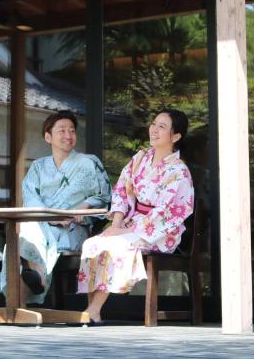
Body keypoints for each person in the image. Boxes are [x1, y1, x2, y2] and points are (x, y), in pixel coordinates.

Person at [78, 109, 195, 323]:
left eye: (162, 127)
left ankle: (93, 309)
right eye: (154, 124)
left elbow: (166, 212)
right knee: (93, 244)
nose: (154, 130)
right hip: (131, 224)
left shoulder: (179, 171)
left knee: (117, 245)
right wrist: (116, 225)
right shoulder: (139, 159)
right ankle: (93, 309)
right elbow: (122, 190)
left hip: (160, 231)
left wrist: (123, 232)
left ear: (176, 136)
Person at [9, 110, 111, 304]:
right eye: (61, 130)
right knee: (21, 238)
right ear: (48, 137)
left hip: (73, 228)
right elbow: (30, 198)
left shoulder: (89, 163)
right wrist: (50, 217)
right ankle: (22, 299)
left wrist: (84, 205)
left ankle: (27, 292)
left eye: (72, 131)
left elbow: (105, 195)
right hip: (42, 224)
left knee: (23, 242)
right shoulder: (38, 167)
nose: (68, 136)